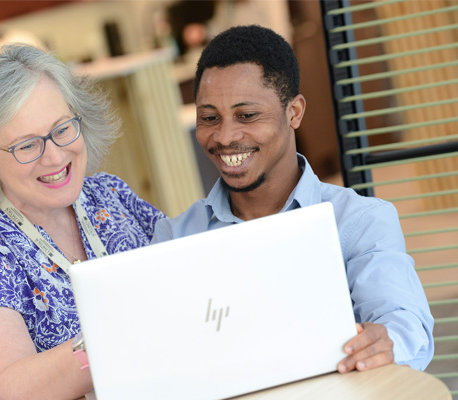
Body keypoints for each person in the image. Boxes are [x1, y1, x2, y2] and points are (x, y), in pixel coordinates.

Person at [152, 25, 434, 373]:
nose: (225, 136)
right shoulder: (174, 239)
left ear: (294, 112)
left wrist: (384, 341)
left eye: (247, 115)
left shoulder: (359, 221)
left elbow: (406, 326)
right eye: (209, 118)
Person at [0, 44, 165, 399]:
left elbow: (184, 275)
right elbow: (13, 388)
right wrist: (119, 334)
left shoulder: (108, 195)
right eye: (27, 145)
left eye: (62, 129)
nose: (55, 156)